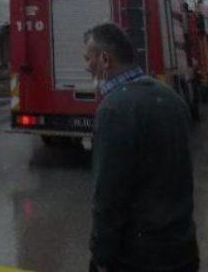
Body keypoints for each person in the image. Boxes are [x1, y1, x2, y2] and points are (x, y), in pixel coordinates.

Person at [83, 23, 199, 272]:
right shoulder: (171, 98)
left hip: (138, 259)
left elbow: (109, 197)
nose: (86, 66)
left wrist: (101, 256)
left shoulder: (114, 110)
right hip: (182, 249)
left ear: (105, 59)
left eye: (88, 58)